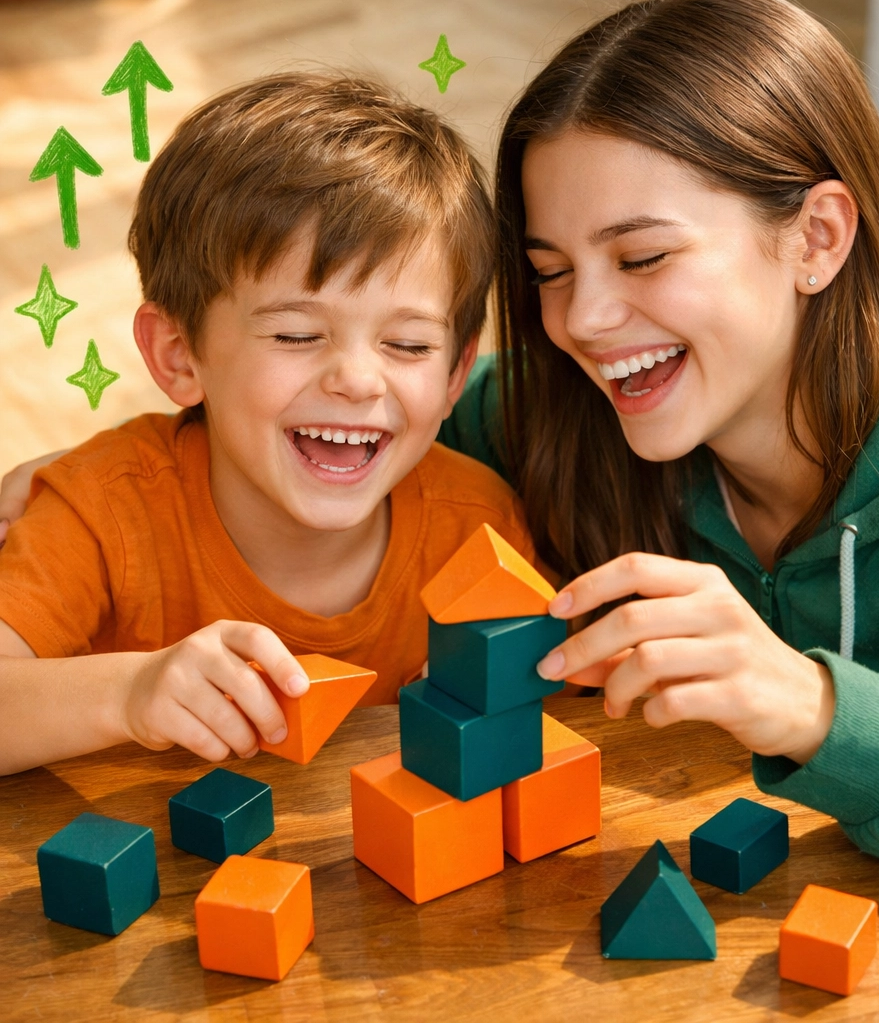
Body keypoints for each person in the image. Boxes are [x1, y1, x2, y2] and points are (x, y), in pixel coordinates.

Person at [439, 0, 879, 895]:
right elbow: (362, 422)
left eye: (640, 259)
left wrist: (818, 710)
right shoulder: (564, 415)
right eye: (550, 272)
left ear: (815, 238)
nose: (581, 322)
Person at [0, 72, 538, 776]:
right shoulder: (98, 510)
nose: (356, 379)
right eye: (294, 335)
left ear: (454, 375)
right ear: (178, 354)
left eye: (408, 345)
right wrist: (130, 692)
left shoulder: (480, 526)